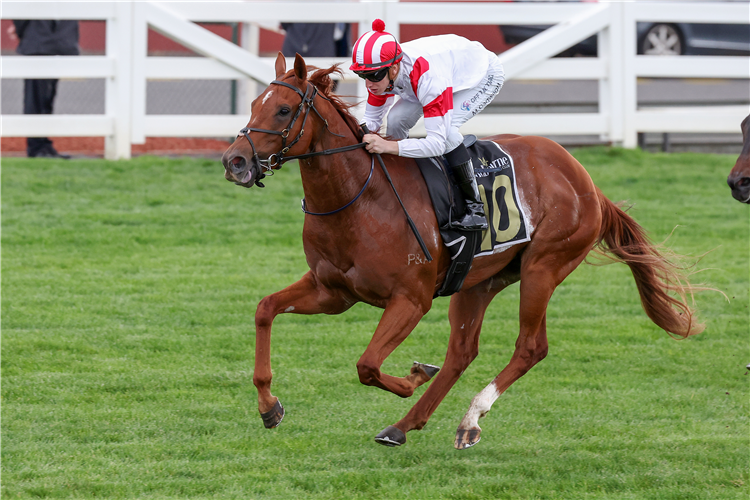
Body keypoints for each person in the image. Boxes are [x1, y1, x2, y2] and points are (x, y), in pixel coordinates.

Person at [352, 20, 505, 232]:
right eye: (362, 76)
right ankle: (400, 182)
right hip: (445, 69)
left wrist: (387, 147)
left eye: (373, 76)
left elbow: (436, 144)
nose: (368, 83)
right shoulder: (380, 73)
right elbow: (371, 124)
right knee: (395, 120)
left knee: (449, 131)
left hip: (480, 75)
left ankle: (475, 209)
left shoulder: (428, 79)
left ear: (394, 68)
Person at [8, 20, 80, 159]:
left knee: (42, 98)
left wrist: (20, 29)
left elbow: (23, 12)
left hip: (41, 41)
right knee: (40, 98)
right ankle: (37, 147)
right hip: (50, 42)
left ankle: (42, 145)